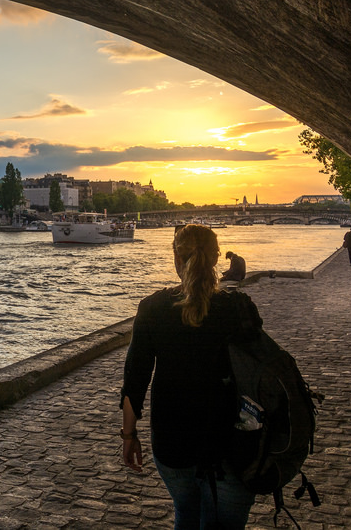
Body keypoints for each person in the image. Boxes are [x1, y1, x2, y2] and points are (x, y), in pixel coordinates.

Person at [121, 224, 261, 529]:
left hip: (173, 440)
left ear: (175, 257)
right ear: (215, 258)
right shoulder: (238, 307)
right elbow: (259, 369)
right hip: (231, 440)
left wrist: (129, 436)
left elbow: (135, 380)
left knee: (186, 511)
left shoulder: (152, 309)